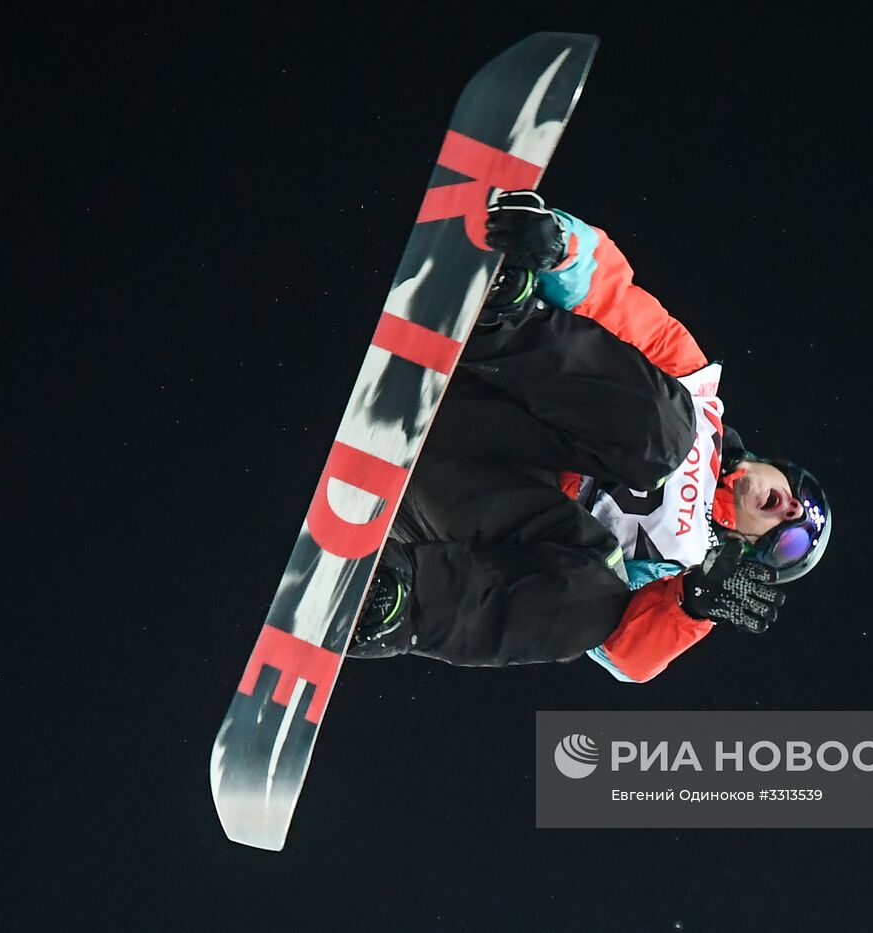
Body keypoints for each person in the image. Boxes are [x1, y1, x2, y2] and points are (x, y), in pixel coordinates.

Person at [346, 191, 831, 682]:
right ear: (777, 466)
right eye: (804, 498)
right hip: (486, 396)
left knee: (601, 600)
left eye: (789, 542)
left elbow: (623, 658)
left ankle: (395, 602)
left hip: (460, 500)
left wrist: (692, 607)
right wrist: (558, 245)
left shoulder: (676, 574)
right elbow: (615, 299)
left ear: (751, 554)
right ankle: (497, 318)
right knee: (667, 436)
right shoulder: (694, 390)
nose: (792, 511)